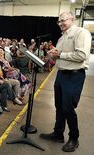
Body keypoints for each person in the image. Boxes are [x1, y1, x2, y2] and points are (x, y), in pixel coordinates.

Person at [39, 11, 92, 152]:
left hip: (74, 75)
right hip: (61, 74)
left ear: (72, 19)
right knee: (59, 107)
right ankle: (58, 134)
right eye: (59, 21)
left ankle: (74, 138)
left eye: (64, 20)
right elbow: (60, 57)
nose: (61, 23)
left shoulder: (81, 33)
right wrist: (52, 57)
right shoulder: (62, 37)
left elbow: (82, 55)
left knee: (68, 108)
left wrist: (60, 54)